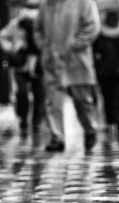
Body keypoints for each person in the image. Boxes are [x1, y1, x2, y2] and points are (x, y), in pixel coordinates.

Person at [35, 0, 101, 152]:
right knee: (52, 101)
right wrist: (43, 45)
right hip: (51, 60)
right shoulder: (46, 5)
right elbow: (38, 29)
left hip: (76, 61)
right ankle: (57, 137)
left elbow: (93, 27)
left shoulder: (84, 3)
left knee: (82, 100)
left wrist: (74, 44)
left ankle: (90, 128)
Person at [0, 5, 45, 137]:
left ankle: (36, 121)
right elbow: (2, 37)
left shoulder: (42, 24)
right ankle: (23, 119)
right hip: (20, 64)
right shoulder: (15, 25)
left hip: (37, 63)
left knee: (39, 94)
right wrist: (13, 48)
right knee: (22, 93)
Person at [93, 10, 119, 135]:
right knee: (107, 97)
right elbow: (95, 53)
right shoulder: (100, 36)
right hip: (105, 72)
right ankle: (110, 121)